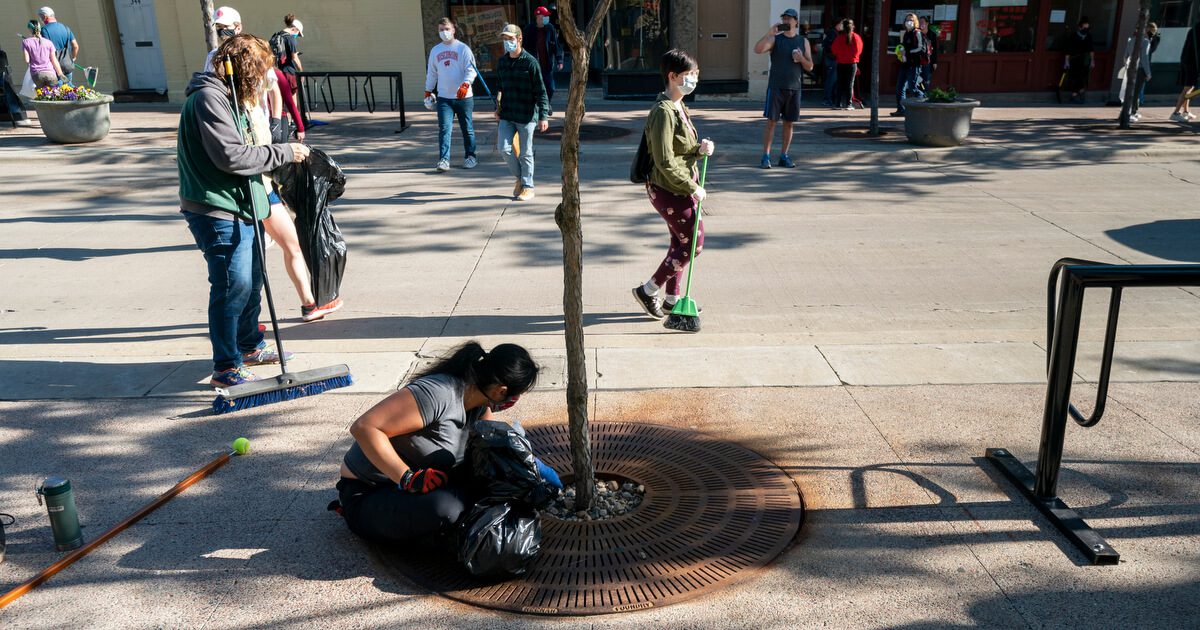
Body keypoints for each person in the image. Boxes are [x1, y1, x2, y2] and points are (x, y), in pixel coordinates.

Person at [177, 34, 310, 387]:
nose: (267, 79)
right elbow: (232, 156)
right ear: (247, 70)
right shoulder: (210, 99)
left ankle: (249, 345)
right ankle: (226, 366)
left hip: (243, 204)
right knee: (231, 285)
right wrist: (284, 153)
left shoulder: (233, 99)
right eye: (262, 71)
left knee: (252, 282)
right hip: (214, 208)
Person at [335, 341, 539, 544]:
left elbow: (494, 454)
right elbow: (364, 427)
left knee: (496, 489)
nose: (515, 400)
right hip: (369, 492)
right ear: (500, 391)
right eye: (516, 394)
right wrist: (406, 477)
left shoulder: (478, 405)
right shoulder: (438, 393)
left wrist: (535, 474)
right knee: (448, 510)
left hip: (417, 488)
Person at [630, 49, 716, 326]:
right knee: (693, 244)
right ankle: (648, 290)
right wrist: (692, 186)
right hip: (669, 188)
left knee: (679, 242)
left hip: (677, 186)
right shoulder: (663, 112)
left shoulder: (679, 107)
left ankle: (672, 300)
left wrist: (699, 150)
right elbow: (665, 161)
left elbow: (679, 151)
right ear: (673, 76)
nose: (695, 79)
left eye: (696, 75)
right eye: (690, 75)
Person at [495, 24, 550, 202]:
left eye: (510, 39)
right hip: (508, 113)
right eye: (505, 39)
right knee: (504, 148)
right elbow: (501, 88)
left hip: (527, 115)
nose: (507, 42)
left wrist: (543, 116)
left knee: (526, 153)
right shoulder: (502, 62)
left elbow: (541, 91)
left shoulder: (530, 62)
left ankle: (528, 186)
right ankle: (520, 178)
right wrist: (497, 109)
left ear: (519, 39)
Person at [754, 8, 812, 169]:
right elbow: (757, 50)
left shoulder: (803, 41)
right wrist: (769, 33)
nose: (786, 21)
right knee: (771, 122)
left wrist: (801, 59)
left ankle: (784, 156)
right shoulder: (776, 39)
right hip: (776, 87)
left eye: (789, 19)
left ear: (796, 22)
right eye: (784, 18)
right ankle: (765, 156)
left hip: (794, 88)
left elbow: (810, 66)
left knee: (789, 123)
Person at [425, 17, 478, 172]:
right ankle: (444, 160)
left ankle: (471, 156)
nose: (444, 32)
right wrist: (428, 91)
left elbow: (471, 70)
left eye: (447, 29)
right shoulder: (435, 50)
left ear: (454, 30)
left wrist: (466, 84)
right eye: (441, 29)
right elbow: (432, 73)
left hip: (464, 97)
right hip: (444, 98)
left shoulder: (463, 49)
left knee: (467, 128)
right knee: (444, 129)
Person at [523, 6, 564, 110]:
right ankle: (538, 107)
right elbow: (523, 47)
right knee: (535, 89)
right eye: (544, 16)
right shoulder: (529, 29)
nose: (546, 18)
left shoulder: (550, 28)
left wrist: (559, 60)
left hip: (547, 65)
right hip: (533, 66)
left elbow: (556, 45)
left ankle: (547, 104)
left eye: (547, 16)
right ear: (538, 16)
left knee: (550, 88)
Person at [891, 13, 926, 116]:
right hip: (905, 64)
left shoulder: (917, 33)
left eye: (911, 20)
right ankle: (901, 110)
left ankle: (925, 104)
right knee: (899, 88)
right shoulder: (906, 33)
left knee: (913, 88)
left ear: (915, 21)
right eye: (907, 20)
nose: (908, 22)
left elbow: (921, 49)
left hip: (914, 65)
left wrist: (908, 52)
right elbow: (904, 47)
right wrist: (901, 51)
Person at [37, 7, 77, 85]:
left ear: (45, 17)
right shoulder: (66, 28)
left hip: (54, 68)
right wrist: (73, 58)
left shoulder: (43, 30)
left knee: (58, 93)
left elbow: (44, 50)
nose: (40, 19)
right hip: (68, 66)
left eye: (40, 17)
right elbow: (75, 46)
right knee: (69, 91)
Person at [22, 20, 65, 90]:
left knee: (41, 95)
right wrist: (60, 74)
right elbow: (54, 60)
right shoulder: (49, 42)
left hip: (37, 74)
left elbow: (27, 60)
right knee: (54, 95)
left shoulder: (26, 42)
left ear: (30, 29)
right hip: (50, 73)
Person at [1123, 26, 1153, 122]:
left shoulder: (1131, 40)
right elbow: (1144, 58)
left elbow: (1125, 57)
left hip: (1130, 68)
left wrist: (1127, 66)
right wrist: (1148, 73)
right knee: (1136, 92)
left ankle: (1130, 111)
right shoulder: (1145, 42)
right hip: (1140, 69)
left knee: (1129, 90)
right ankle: (1131, 112)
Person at [830, 19, 862, 111]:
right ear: (853, 26)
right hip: (852, 63)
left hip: (841, 63)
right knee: (850, 84)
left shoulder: (839, 37)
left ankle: (837, 104)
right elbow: (859, 50)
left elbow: (834, 50)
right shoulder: (856, 37)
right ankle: (849, 104)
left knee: (840, 84)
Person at [1063, 17, 1094, 105]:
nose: (1086, 30)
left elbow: (1091, 49)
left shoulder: (1089, 36)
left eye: (1088, 28)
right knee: (1074, 78)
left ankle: (1075, 95)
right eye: (1084, 28)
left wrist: (1092, 60)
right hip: (1074, 59)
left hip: (1084, 60)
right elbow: (1068, 49)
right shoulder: (1073, 36)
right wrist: (1066, 61)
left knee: (1082, 78)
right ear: (1080, 27)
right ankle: (1078, 94)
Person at [1172, 22, 1199, 122]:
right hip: (1193, 63)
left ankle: (1186, 111)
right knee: (1188, 88)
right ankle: (1176, 112)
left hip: (1188, 61)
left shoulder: (1193, 30)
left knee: (1189, 87)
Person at [821, 20, 842, 108]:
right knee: (831, 80)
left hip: (831, 59)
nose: (842, 25)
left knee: (832, 80)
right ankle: (827, 100)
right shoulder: (833, 33)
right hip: (832, 59)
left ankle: (829, 99)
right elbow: (828, 46)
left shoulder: (833, 32)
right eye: (841, 23)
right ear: (837, 24)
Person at [919, 17, 938, 91]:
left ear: (927, 23)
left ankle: (924, 93)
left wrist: (935, 62)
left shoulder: (932, 34)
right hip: (917, 61)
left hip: (927, 61)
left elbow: (935, 49)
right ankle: (918, 94)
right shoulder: (917, 33)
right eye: (919, 22)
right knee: (917, 79)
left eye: (922, 22)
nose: (921, 23)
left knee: (926, 80)